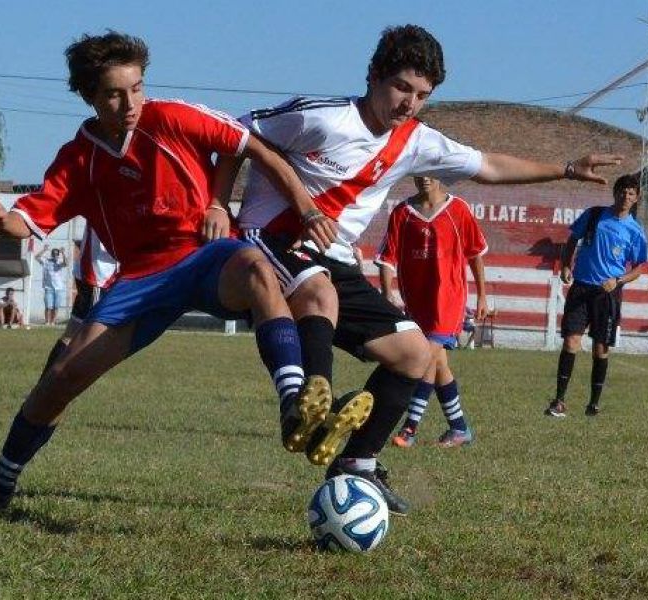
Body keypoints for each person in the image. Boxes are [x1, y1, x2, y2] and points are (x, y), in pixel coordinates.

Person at [226, 24, 622, 514]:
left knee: (417, 357)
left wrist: (564, 169)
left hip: (335, 257)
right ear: (373, 75)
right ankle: (313, 409)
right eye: (401, 88)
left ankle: (357, 464)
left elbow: (490, 167)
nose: (409, 103)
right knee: (320, 294)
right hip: (273, 240)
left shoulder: (416, 142)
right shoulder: (321, 118)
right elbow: (233, 136)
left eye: (422, 95)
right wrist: (217, 205)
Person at [0, 31, 347, 514]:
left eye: (137, 87)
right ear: (90, 96)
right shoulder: (79, 161)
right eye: (115, 93)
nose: (131, 102)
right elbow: (28, 221)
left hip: (203, 257)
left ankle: (292, 405)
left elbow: (251, 146)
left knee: (256, 268)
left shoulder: (172, 118)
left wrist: (291, 209)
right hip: (140, 280)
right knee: (60, 379)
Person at [375, 176, 488, 449]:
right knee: (439, 365)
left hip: (449, 298)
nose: (425, 177)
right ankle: (459, 428)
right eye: (419, 171)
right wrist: (387, 291)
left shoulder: (458, 210)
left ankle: (410, 428)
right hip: (416, 301)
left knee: (426, 356)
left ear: (442, 174)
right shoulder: (402, 213)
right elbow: (387, 257)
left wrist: (483, 294)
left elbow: (474, 254)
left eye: (431, 171)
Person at [545, 173, 648, 418]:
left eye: (631, 193)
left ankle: (593, 403)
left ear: (636, 199)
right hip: (581, 287)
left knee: (600, 349)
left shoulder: (635, 231)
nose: (626, 196)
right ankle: (558, 401)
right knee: (571, 342)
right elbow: (572, 239)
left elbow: (639, 268)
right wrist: (566, 265)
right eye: (622, 191)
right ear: (615, 193)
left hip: (607, 294)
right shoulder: (594, 215)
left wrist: (619, 281)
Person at [40, 225, 118, 375]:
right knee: (91, 339)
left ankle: (44, 385)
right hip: (99, 275)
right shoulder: (114, 206)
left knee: (71, 334)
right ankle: (53, 386)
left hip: (90, 274)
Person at [36, 246, 68, 325]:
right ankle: (47, 321)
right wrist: (44, 250)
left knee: (56, 306)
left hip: (59, 288)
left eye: (57, 254)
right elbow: (37, 257)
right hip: (48, 288)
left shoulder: (59, 262)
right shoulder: (46, 261)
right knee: (48, 306)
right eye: (54, 254)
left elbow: (66, 263)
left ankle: (53, 321)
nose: (55, 255)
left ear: (58, 255)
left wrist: (63, 253)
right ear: (51, 254)